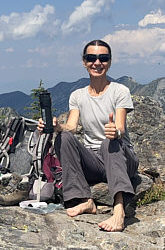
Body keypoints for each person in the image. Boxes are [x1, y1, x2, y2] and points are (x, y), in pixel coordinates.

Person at [39, 40, 139, 232]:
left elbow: (120, 128)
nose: (97, 62)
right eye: (91, 58)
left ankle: (119, 211)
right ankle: (85, 200)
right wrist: (57, 127)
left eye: (103, 58)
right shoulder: (77, 95)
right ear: (84, 62)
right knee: (64, 138)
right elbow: (71, 127)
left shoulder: (120, 91)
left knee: (109, 143)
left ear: (109, 62)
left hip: (122, 157)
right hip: (95, 161)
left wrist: (115, 132)